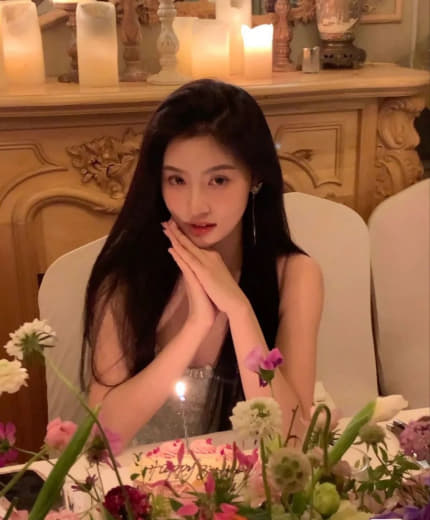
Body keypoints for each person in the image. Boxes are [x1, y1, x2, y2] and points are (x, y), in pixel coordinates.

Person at [81, 79, 323, 447]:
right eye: (177, 180)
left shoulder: (295, 276)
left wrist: (239, 311)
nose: (195, 206)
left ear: (255, 178)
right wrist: (196, 325)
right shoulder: (127, 279)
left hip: (255, 480)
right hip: (144, 480)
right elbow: (101, 439)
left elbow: (291, 440)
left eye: (218, 180)